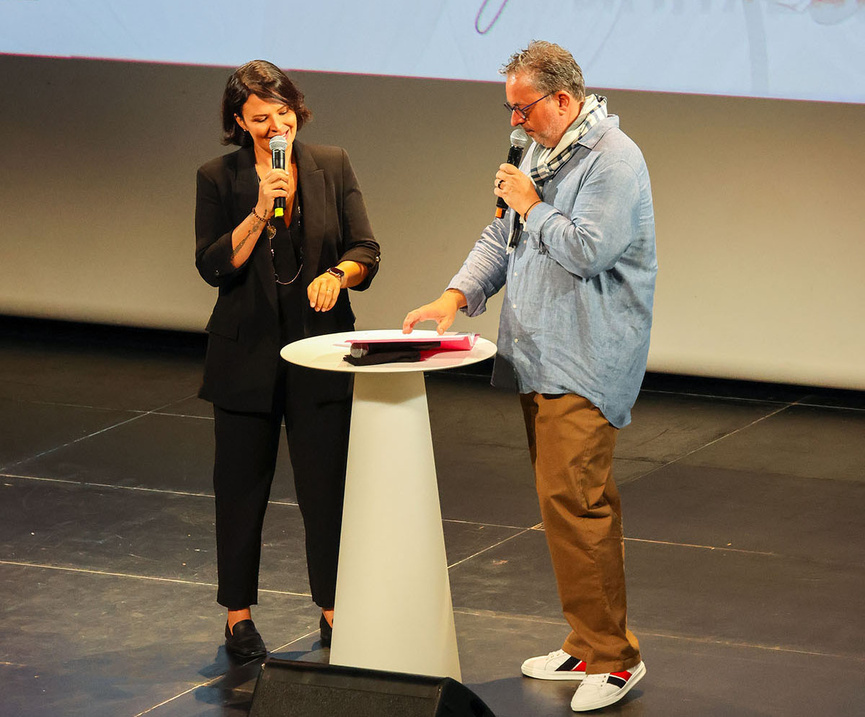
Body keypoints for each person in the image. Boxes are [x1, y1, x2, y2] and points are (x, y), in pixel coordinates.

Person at [403, 41, 655, 712]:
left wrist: (532, 201)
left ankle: (614, 657)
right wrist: (451, 298)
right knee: (562, 506)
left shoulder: (613, 160)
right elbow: (499, 238)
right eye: (508, 109)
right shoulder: (540, 152)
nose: (513, 123)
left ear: (563, 100)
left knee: (579, 504)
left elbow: (585, 249)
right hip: (538, 352)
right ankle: (586, 638)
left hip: (586, 356)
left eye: (523, 108)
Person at [195, 60, 380, 659]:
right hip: (245, 354)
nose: (276, 127)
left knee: (326, 488)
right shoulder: (218, 177)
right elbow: (212, 265)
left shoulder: (332, 163)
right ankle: (238, 617)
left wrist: (338, 275)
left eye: (283, 113)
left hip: (318, 351)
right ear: (239, 124)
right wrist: (258, 209)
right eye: (260, 119)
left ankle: (332, 606)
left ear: (296, 110)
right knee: (242, 487)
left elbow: (366, 250)